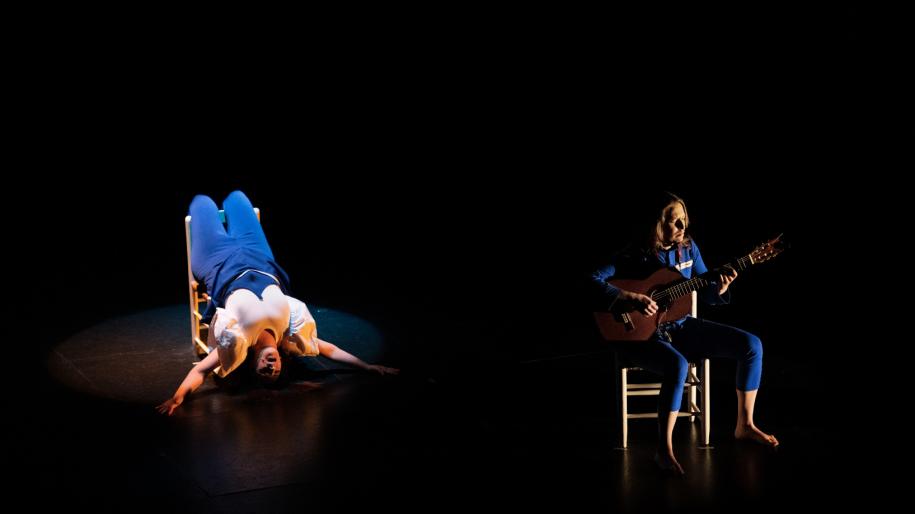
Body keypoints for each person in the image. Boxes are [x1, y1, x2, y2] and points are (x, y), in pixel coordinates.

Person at [157, 190, 398, 416]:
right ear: (282, 362)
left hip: (216, 261)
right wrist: (367, 367)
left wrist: (177, 397)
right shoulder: (289, 336)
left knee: (201, 201)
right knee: (237, 197)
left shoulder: (239, 341)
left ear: (254, 362)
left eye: (264, 371)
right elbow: (330, 351)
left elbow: (200, 370)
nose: (271, 368)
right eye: (276, 371)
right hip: (258, 255)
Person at [590, 192, 777, 475]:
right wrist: (628, 296)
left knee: (752, 345)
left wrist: (721, 286)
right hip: (641, 335)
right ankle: (663, 450)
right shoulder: (633, 255)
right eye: (673, 220)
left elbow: (709, 294)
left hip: (681, 326)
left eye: (683, 220)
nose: (681, 227)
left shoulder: (690, 249)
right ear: (655, 223)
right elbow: (592, 280)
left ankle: (745, 425)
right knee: (676, 365)